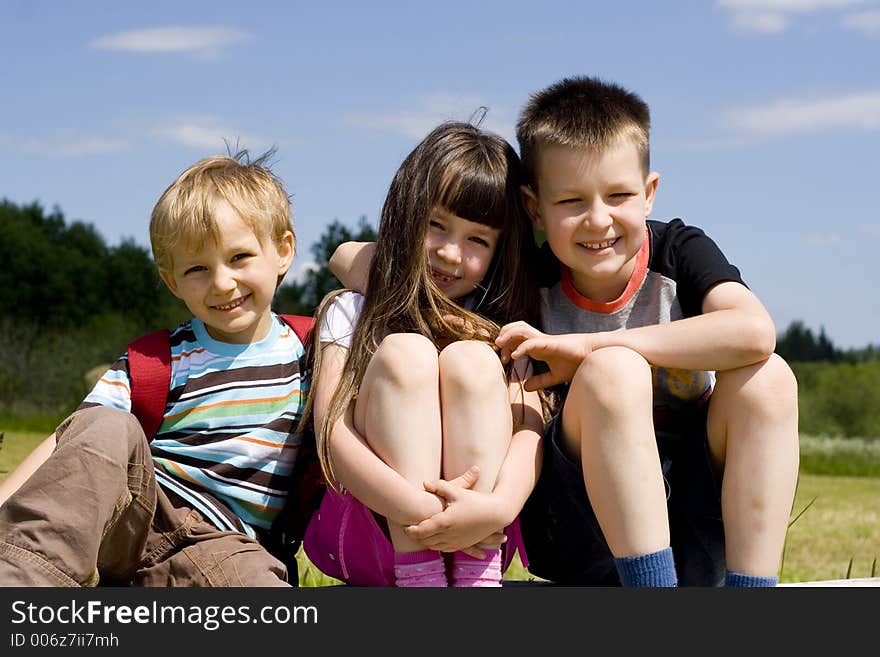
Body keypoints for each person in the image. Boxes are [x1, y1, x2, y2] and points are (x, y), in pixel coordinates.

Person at [493, 75, 800, 587]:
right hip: (580, 529)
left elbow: (754, 332)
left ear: (649, 193)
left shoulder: (679, 250)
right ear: (534, 207)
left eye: (619, 194)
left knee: (768, 379)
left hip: (694, 517)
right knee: (613, 373)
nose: (598, 220)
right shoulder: (526, 278)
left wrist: (591, 344)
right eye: (571, 201)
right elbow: (359, 257)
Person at [0, 150, 310, 586]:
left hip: (229, 546)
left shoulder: (314, 349)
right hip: (136, 517)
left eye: (239, 257)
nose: (222, 283)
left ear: (283, 251)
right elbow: (69, 445)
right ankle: (19, 582)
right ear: (172, 281)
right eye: (198, 268)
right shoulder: (157, 360)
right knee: (105, 424)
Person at [301, 121, 545, 587]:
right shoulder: (353, 309)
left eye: (478, 239)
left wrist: (497, 507)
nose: (451, 253)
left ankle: (476, 584)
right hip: (379, 525)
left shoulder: (502, 327)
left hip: (482, 529)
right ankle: (422, 580)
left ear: (500, 251)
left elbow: (529, 426)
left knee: (472, 360)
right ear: (406, 215)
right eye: (436, 225)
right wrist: (422, 511)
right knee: (405, 354)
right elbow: (331, 432)